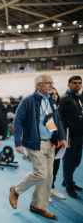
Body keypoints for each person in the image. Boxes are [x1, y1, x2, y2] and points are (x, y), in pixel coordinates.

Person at [9, 73, 67, 220]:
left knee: (48, 177)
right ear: (38, 85)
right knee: (41, 173)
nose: (51, 85)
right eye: (48, 83)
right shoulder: (28, 101)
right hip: (35, 142)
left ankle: (38, 206)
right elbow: (17, 122)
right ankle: (16, 190)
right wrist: (18, 142)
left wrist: (62, 137)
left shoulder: (52, 101)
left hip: (50, 142)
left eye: (52, 83)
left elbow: (57, 120)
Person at [58, 75, 83, 198]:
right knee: (69, 161)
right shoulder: (65, 99)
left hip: (79, 135)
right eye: (74, 83)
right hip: (69, 136)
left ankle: (67, 180)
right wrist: (62, 136)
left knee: (77, 161)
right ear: (69, 84)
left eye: (79, 83)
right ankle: (69, 185)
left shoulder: (80, 98)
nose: (77, 85)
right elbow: (60, 118)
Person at [49, 88, 66, 201]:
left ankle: (52, 188)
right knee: (46, 169)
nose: (55, 96)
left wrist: (63, 138)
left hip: (58, 144)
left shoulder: (59, 109)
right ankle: (44, 191)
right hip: (48, 143)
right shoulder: (43, 108)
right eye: (52, 94)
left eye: (56, 94)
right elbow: (49, 125)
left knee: (55, 168)